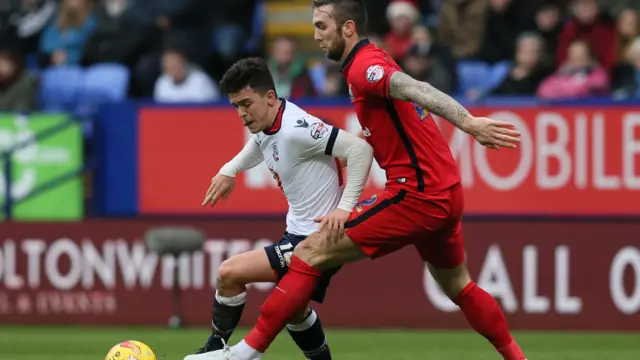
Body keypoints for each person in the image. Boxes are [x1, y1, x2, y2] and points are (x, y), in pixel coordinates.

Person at [188, 0, 525, 360]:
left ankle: (243, 353)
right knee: (459, 286)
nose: (315, 36)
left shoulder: (364, 68)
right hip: (446, 190)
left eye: (321, 26)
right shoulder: (367, 60)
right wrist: (231, 169)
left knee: (310, 251)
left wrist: (468, 122)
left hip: (417, 193)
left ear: (347, 29)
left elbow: (416, 87)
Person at [185, 57, 373, 360]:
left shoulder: (298, 128)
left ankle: (216, 347)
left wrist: (344, 208)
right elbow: (258, 143)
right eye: (236, 106)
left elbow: (360, 149)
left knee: (229, 272)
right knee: (295, 309)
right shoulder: (270, 122)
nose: (242, 114)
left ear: (270, 97)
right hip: (298, 234)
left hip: (316, 239)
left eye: (246, 103)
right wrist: (229, 170)